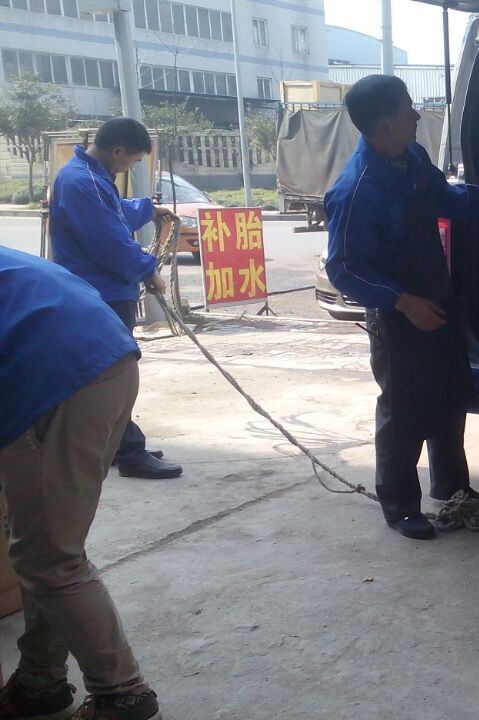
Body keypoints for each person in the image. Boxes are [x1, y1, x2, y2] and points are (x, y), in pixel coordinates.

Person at [324, 75, 479, 541]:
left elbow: (440, 195)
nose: (416, 115)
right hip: (398, 313)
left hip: (437, 297)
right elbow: (344, 268)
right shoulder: (356, 189)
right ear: (385, 123)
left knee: (451, 395)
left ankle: (452, 486)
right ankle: (400, 506)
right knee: (404, 408)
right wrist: (402, 301)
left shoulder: (411, 157)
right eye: (408, 108)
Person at [0, 247, 163, 720]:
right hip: (107, 358)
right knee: (44, 542)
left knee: (50, 558)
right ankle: (39, 682)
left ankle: (124, 696)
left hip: (58, 374)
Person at [48, 118, 183, 481]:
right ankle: (130, 454)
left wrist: (147, 209)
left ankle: (113, 445)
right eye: (133, 160)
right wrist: (148, 270)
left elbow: (113, 213)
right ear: (119, 151)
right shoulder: (82, 182)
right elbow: (109, 240)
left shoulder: (86, 177)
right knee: (114, 379)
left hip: (100, 292)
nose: (131, 166)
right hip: (101, 295)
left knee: (103, 376)